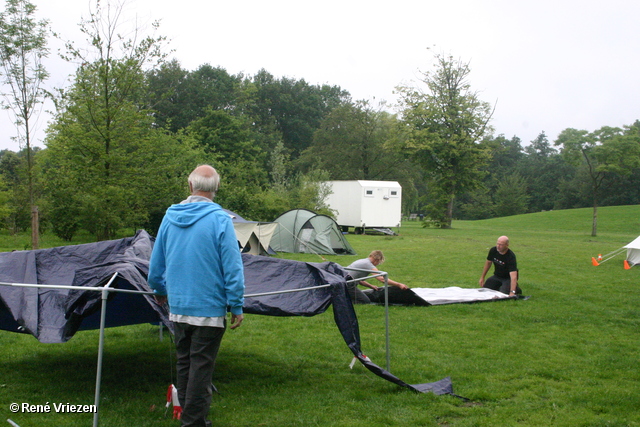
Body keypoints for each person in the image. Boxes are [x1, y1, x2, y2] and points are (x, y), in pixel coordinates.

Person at [148, 164, 245, 427]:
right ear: (216, 189)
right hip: (208, 309)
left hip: (179, 306)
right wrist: (236, 304)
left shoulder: (170, 217)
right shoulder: (220, 219)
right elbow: (232, 266)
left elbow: (156, 261)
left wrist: (159, 289)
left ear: (190, 186)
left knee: (185, 364)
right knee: (201, 368)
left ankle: (190, 418)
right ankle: (193, 422)